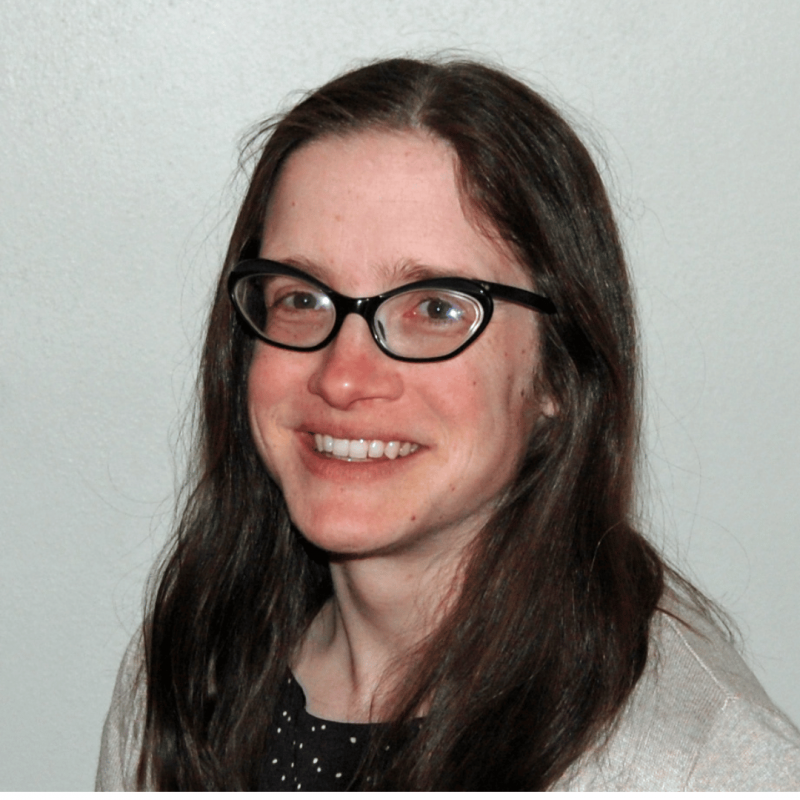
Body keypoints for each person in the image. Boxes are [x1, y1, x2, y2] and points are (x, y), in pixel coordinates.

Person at [96, 57, 800, 791]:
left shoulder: (704, 769)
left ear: (560, 372)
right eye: (301, 298)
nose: (341, 377)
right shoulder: (185, 673)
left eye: (435, 308)